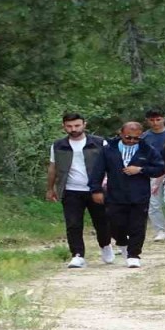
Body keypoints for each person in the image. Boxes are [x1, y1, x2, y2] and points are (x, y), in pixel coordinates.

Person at [89, 121, 165, 269]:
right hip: (115, 194)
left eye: (136, 138)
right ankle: (122, 243)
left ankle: (134, 254)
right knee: (115, 224)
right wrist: (96, 189)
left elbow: (159, 168)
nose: (131, 141)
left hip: (139, 194)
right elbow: (98, 170)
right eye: (128, 137)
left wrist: (141, 169)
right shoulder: (108, 149)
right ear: (120, 133)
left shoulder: (147, 149)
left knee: (137, 225)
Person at [47, 113, 113, 269]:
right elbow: (53, 167)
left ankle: (105, 245)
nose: (73, 129)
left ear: (84, 124)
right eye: (69, 126)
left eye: (77, 125)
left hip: (95, 189)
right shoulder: (58, 145)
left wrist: (109, 185)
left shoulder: (99, 142)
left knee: (102, 221)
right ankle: (77, 255)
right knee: (73, 223)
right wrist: (50, 188)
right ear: (64, 126)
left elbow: (110, 164)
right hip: (70, 189)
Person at [141, 109, 165, 243]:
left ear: (164, 119)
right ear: (147, 121)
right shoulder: (144, 137)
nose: (155, 123)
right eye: (152, 120)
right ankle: (160, 230)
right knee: (154, 203)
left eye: (158, 119)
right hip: (153, 173)